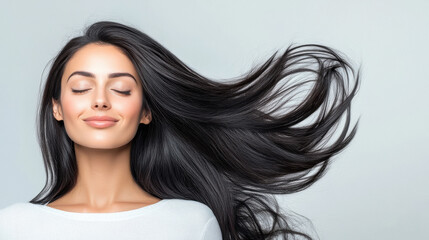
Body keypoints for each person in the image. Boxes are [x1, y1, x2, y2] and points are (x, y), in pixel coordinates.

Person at [0, 21, 360, 240]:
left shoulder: (190, 224)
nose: (100, 101)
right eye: (81, 88)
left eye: (122, 89)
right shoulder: (14, 226)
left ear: (145, 111)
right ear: (57, 108)